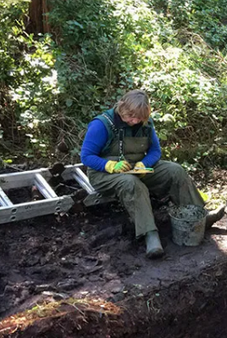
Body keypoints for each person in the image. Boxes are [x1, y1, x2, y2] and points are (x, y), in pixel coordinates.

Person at [80, 90, 219, 259]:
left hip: (135, 169)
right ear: (121, 106)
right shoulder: (101, 124)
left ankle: (198, 216)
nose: (134, 121)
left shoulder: (145, 123)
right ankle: (150, 235)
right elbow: (86, 156)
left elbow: (155, 151)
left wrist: (143, 165)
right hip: (103, 174)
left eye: (139, 118)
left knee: (175, 170)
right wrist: (110, 165)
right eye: (131, 116)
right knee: (131, 183)